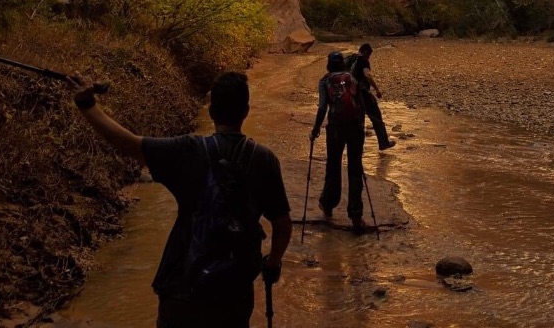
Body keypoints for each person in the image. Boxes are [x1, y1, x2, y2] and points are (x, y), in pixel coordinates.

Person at [69, 71, 292, 328]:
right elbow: (282, 224)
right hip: (234, 291)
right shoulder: (265, 160)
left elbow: (128, 144)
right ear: (246, 111)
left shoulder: (187, 150)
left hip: (183, 287)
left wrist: (87, 105)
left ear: (211, 111)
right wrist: (273, 262)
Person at [311, 50, 369, 233]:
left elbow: (322, 108)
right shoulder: (351, 78)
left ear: (329, 64)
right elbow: (361, 103)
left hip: (335, 129)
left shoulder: (325, 80)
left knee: (334, 166)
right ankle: (356, 216)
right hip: (355, 127)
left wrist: (315, 130)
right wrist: (361, 125)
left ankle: (328, 205)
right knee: (355, 168)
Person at [350, 43, 395, 152]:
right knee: (376, 117)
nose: (369, 57)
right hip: (364, 94)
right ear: (365, 52)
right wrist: (377, 89)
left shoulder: (352, 59)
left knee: (359, 121)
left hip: (352, 95)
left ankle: (356, 147)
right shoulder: (363, 60)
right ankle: (383, 143)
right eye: (369, 55)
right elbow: (367, 75)